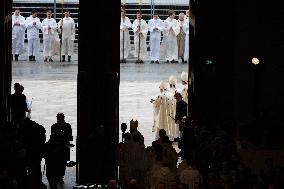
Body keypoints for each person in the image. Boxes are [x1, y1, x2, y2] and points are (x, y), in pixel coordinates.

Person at [50, 113, 73, 184]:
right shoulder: (56, 126)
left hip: (63, 147)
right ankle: (59, 176)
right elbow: (52, 137)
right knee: (58, 162)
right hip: (58, 147)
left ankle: (60, 176)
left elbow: (70, 137)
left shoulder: (55, 126)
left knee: (63, 163)